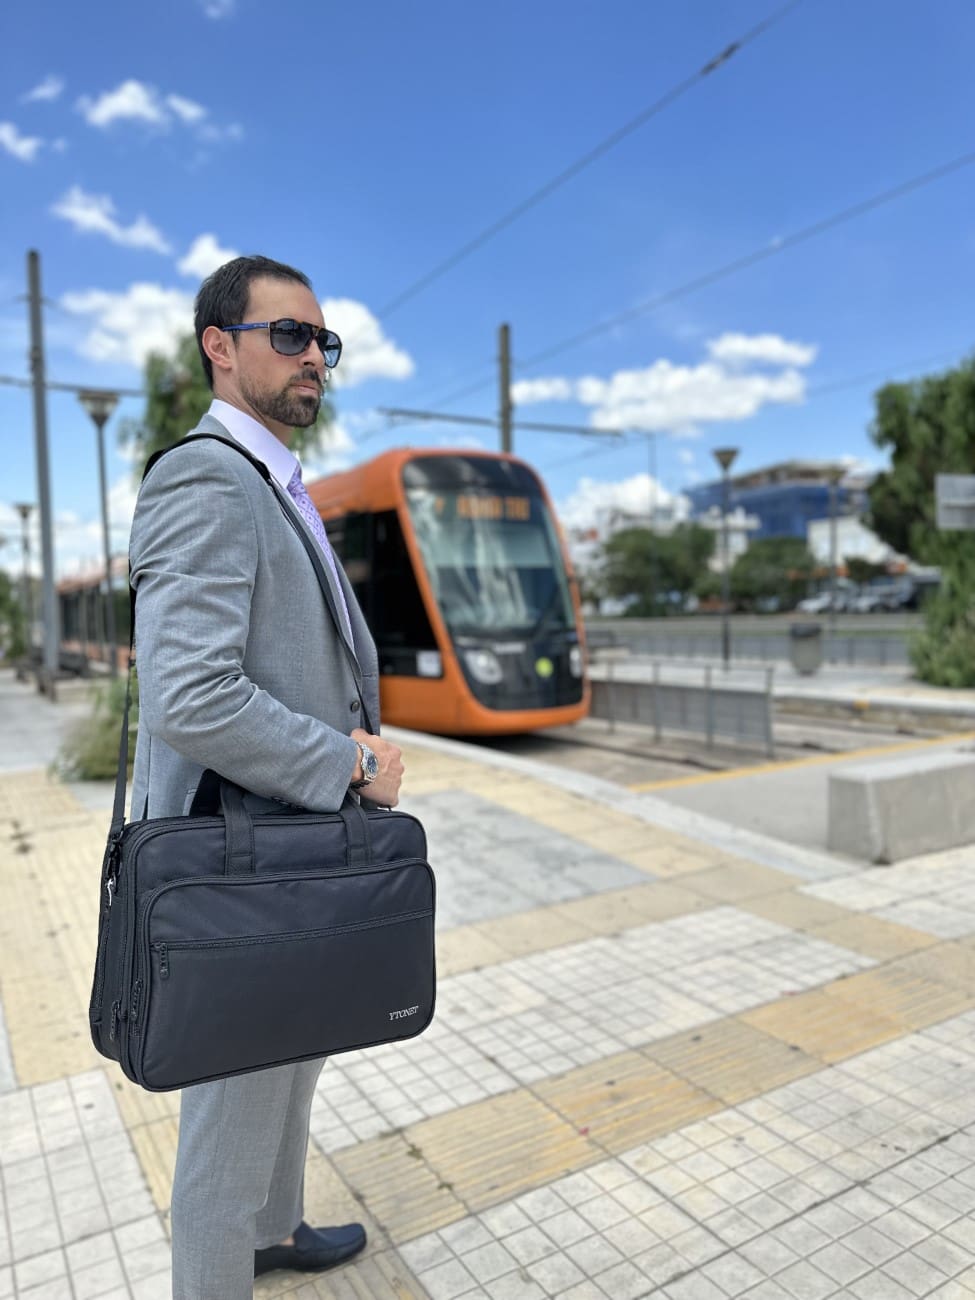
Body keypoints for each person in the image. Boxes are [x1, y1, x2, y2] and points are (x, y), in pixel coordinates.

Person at [128, 254, 404, 1298]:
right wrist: (351, 760)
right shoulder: (205, 477)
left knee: (296, 1048)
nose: (313, 358)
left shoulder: (272, 480)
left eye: (322, 341)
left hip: (292, 844)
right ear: (220, 346)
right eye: (288, 335)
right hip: (238, 857)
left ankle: (274, 1228)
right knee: (233, 1108)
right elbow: (190, 697)